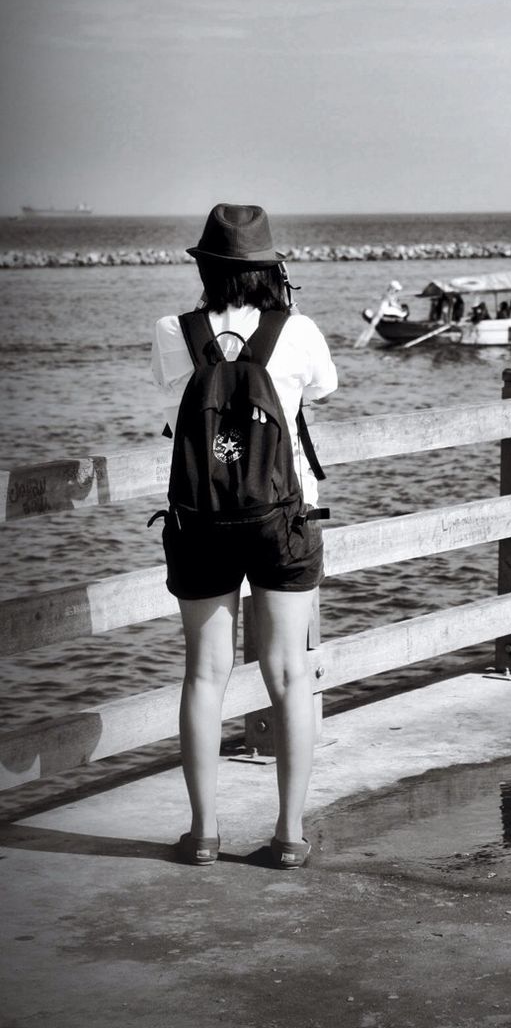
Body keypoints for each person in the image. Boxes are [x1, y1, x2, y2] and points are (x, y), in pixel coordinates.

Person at [151, 204, 337, 869]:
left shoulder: (174, 330)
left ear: (204, 265)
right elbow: (325, 388)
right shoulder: (299, 329)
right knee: (290, 674)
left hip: (200, 519)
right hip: (280, 519)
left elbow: (171, 388)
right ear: (268, 268)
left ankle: (202, 834)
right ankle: (289, 835)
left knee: (204, 674)